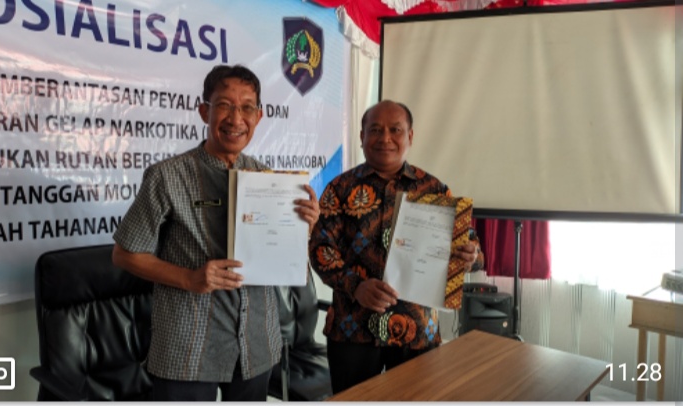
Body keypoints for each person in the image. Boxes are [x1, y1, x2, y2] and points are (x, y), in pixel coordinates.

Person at [112, 64, 319, 401]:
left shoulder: (269, 180)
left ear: (259, 116)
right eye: (224, 105)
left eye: (247, 107)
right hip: (188, 346)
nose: (236, 118)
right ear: (203, 111)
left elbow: (280, 259)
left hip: (255, 343)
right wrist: (190, 278)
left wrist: (301, 231)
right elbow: (124, 254)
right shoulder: (167, 176)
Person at [309, 100, 484, 394]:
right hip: (352, 331)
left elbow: (473, 249)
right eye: (375, 130)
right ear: (362, 136)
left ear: (410, 136)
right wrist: (356, 286)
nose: (385, 138)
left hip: (417, 334)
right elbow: (320, 249)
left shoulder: (434, 190)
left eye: (395, 130)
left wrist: (471, 256)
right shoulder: (339, 188)